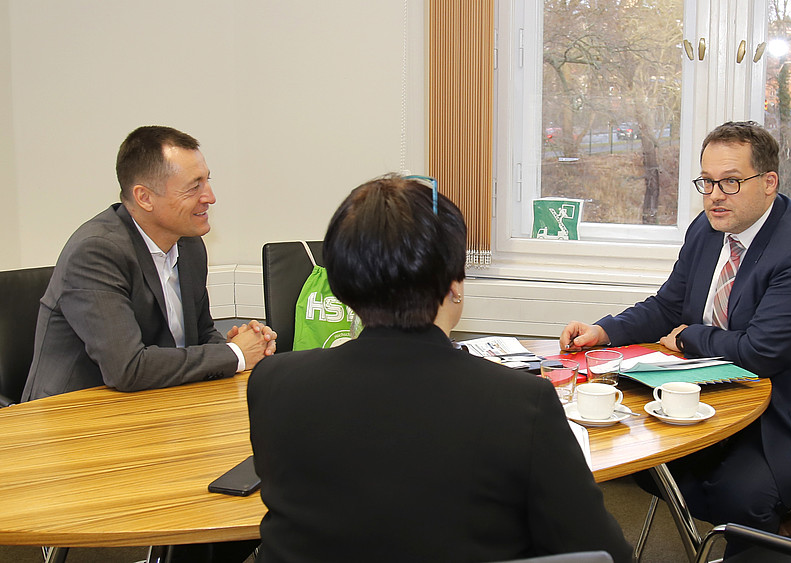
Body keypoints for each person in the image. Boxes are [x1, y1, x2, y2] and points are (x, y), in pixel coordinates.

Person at [247, 175, 633, 562]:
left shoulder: (272, 383)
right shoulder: (521, 403)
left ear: (342, 284)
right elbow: (603, 552)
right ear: (454, 284)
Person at [560, 121, 791, 536]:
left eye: (730, 181)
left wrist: (688, 336)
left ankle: (770, 537)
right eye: (706, 182)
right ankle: (767, 531)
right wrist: (605, 331)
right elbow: (668, 305)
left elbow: (762, 352)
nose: (714, 196)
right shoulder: (708, 230)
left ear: (768, 182)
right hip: (721, 390)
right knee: (641, 456)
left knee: (738, 493)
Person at [22, 125, 277, 401]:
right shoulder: (96, 252)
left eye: (207, 180)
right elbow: (128, 368)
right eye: (194, 187)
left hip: (153, 404)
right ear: (144, 198)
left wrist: (240, 345)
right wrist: (234, 355)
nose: (210, 197)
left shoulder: (189, 244)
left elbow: (200, 335)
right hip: (71, 420)